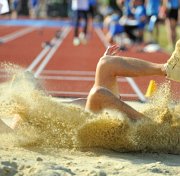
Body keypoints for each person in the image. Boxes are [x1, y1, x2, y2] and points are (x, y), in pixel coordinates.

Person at [1, 39, 180, 132]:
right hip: (90, 126)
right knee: (98, 93)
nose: (39, 86)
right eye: (34, 86)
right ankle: (156, 130)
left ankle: (168, 69)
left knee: (105, 63)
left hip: (95, 112)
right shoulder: (23, 124)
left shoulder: (47, 106)